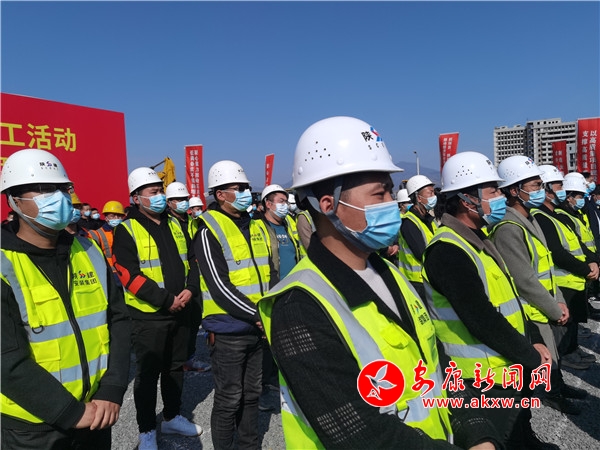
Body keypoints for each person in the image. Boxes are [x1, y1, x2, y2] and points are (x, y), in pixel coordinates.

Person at [259, 117, 499, 449]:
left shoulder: (390, 273)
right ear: (328, 204)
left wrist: (478, 432)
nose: (392, 203)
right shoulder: (298, 305)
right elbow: (356, 431)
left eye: (390, 190)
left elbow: (436, 363)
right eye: (379, 193)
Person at [422, 151, 555, 449]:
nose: (500, 197)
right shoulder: (447, 251)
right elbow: (481, 318)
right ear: (466, 200)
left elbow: (510, 299)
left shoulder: (480, 240)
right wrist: (530, 356)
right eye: (493, 191)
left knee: (519, 429)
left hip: (505, 366)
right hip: (482, 378)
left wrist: (533, 339)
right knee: (501, 438)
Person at [0, 148, 131, 450]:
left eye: (62, 188)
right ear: (14, 200)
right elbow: (6, 360)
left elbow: (119, 321)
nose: (58, 197)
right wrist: (71, 412)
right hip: (33, 428)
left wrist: (111, 389)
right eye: (44, 189)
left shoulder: (88, 251)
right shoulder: (5, 265)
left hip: (96, 413)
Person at [112, 167, 203, 450]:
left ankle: (172, 416)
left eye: (160, 191)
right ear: (136, 198)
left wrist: (191, 288)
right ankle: (147, 430)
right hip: (149, 316)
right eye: (153, 192)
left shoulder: (175, 224)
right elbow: (128, 275)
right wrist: (166, 300)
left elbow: (192, 259)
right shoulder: (126, 229)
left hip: (181, 309)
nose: (160, 196)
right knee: (148, 375)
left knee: (175, 368)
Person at [491, 156, 586, 415]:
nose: (540, 191)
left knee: (553, 355)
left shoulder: (529, 218)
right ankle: (552, 394)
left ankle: (558, 387)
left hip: (545, 304)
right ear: (514, 190)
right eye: (534, 186)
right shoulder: (508, 227)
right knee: (545, 359)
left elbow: (546, 269)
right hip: (531, 309)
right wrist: (554, 308)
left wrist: (559, 301)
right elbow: (525, 279)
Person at [192, 160, 273, 450]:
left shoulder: (256, 225)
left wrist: (268, 314)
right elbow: (219, 286)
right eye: (238, 188)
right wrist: (257, 315)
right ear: (220, 194)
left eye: (246, 188)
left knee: (252, 395)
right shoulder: (208, 229)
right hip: (229, 330)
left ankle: (249, 446)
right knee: (229, 399)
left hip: (257, 327)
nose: (245, 193)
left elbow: (270, 272)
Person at [258, 184, 305, 401]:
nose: (285, 205)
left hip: (292, 288)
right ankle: (265, 383)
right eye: (280, 201)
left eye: (286, 201)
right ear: (268, 204)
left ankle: (281, 377)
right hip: (273, 290)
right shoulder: (259, 226)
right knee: (269, 340)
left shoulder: (289, 224)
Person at [548, 173, 598, 364]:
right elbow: (559, 252)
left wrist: (593, 261)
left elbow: (582, 242)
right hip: (566, 277)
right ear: (569, 198)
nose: (582, 200)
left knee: (573, 320)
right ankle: (567, 354)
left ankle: (572, 348)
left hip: (578, 274)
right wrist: (587, 267)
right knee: (565, 322)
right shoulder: (557, 216)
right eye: (579, 196)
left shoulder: (574, 214)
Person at [397, 175, 438, 300]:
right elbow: (421, 253)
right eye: (430, 193)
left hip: (429, 277)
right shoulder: (409, 223)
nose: (433, 196)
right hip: (416, 281)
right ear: (419, 198)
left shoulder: (430, 220)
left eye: (433, 192)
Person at [87, 201, 126, 286]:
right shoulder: (97, 234)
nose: (116, 218)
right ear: (106, 217)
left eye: (119, 215)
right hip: (109, 274)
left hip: (126, 272)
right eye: (112, 216)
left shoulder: (127, 232)